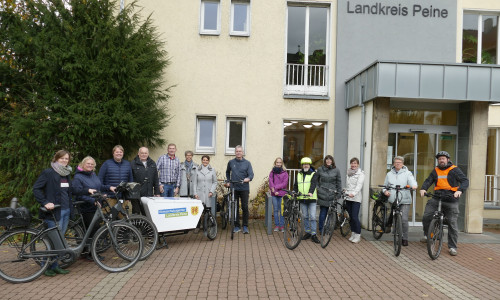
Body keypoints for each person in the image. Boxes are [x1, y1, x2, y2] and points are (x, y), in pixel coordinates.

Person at [419, 151, 469, 256]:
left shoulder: (454, 170)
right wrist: (423, 188)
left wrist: (459, 191)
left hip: (451, 199)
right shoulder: (436, 170)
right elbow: (429, 180)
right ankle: (429, 235)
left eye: (443, 158)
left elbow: (465, 181)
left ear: (448, 159)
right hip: (437, 198)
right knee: (427, 216)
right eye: (440, 159)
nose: (441, 160)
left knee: (452, 223)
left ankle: (452, 247)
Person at [33, 150, 73, 276]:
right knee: (53, 240)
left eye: (66, 159)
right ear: (56, 159)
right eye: (62, 158)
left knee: (59, 240)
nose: (64, 161)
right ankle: (45, 267)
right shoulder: (49, 172)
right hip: (54, 213)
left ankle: (55, 266)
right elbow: (36, 189)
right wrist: (45, 202)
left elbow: (68, 192)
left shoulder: (66, 174)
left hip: (65, 211)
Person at [72, 156, 107, 260]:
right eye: (88, 164)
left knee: (91, 230)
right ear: (83, 164)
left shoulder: (93, 175)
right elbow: (78, 193)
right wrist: (92, 200)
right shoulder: (78, 177)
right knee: (92, 229)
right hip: (85, 207)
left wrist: (101, 195)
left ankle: (85, 251)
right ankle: (91, 253)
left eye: (92, 164)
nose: (90, 165)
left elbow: (97, 188)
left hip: (94, 206)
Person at [382, 156, 418, 247]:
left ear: (402, 164)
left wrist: (413, 186)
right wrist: (385, 191)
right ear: (394, 164)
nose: (398, 163)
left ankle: (405, 238)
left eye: (400, 162)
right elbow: (385, 186)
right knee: (395, 217)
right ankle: (396, 234)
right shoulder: (389, 174)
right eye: (396, 162)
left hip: (404, 199)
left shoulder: (407, 173)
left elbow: (412, 182)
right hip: (393, 199)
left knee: (404, 219)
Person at [226, 145, 254, 234]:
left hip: (244, 188)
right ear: (235, 152)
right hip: (234, 188)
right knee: (235, 207)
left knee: (244, 207)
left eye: (240, 151)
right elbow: (227, 172)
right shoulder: (231, 162)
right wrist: (228, 181)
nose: (238, 153)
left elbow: (251, 174)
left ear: (242, 152)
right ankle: (237, 226)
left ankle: (245, 226)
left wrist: (248, 178)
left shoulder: (247, 163)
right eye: (237, 151)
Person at [98, 145, 133, 212]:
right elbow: (99, 180)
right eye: (117, 152)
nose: (119, 153)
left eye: (120, 152)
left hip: (123, 198)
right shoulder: (107, 164)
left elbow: (130, 181)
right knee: (107, 219)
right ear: (113, 153)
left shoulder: (127, 164)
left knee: (123, 220)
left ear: (123, 153)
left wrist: (129, 196)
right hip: (109, 197)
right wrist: (103, 192)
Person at [293, 157, 320, 243]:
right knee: (305, 217)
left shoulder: (313, 174)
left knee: (312, 217)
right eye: (304, 164)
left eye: (307, 164)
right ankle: (308, 232)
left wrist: (310, 192)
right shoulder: (299, 174)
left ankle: (314, 234)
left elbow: (313, 184)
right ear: (302, 165)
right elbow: (296, 185)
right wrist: (294, 191)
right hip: (302, 198)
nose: (306, 165)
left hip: (311, 198)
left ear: (309, 165)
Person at [317, 155, 342, 238]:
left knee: (330, 213)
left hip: (332, 194)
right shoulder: (320, 169)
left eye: (330, 160)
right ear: (325, 161)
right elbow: (316, 180)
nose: (328, 161)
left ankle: (327, 228)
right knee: (323, 212)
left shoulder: (336, 170)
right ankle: (321, 229)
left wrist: (339, 193)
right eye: (327, 160)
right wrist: (318, 189)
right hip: (322, 193)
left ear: (332, 161)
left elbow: (339, 182)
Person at [131, 147, 160, 215]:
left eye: (145, 153)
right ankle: (136, 226)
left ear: (148, 154)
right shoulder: (133, 163)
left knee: (147, 213)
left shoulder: (152, 163)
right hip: (136, 194)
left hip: (148, 193)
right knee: (136, 213)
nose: (144, 154)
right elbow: (130, 179)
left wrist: (157, 192)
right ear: (138, 153)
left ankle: (146, 226)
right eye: (142, 153)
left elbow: (156, 179)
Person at [345, 157, 365, 244]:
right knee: (350, 217)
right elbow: (348, 185)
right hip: (348, 197)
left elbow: (359, 185)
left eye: (355, 163)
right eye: (352, 163)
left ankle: (358, 234)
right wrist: (345, 191)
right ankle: (353, 233)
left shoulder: (361, 174)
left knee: (354, 216)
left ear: (358, 164)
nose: (353, 165)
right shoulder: (349, 173)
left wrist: (353, 193)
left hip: (356, 198)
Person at [195, 155, 217, 233]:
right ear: (201, 161)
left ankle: (207, 226)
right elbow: (194, 183)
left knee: (208, 210)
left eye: (206, 160)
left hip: (208, 194)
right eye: (203, 160)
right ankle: (197, 226)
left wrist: (211, 191)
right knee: (199, 211)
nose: (205, 161)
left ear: (208, 161)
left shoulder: (212, 170)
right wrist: (195, 193)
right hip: (199, 193)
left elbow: (215, 182)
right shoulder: (197, 170)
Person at [268, 157, 288, 232]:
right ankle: (277, 225)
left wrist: (276, 188)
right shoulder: (272, 172)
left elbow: (284, 183)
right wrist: (273, 189)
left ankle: (282, 226)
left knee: (281, 210)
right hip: (274, 194)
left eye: (280, 163)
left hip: (282, 193)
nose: (279, 164)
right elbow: (270, 181)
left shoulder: (285, 173)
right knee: (275, 210)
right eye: (277, 162)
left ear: (282, 163)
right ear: (275, 163)